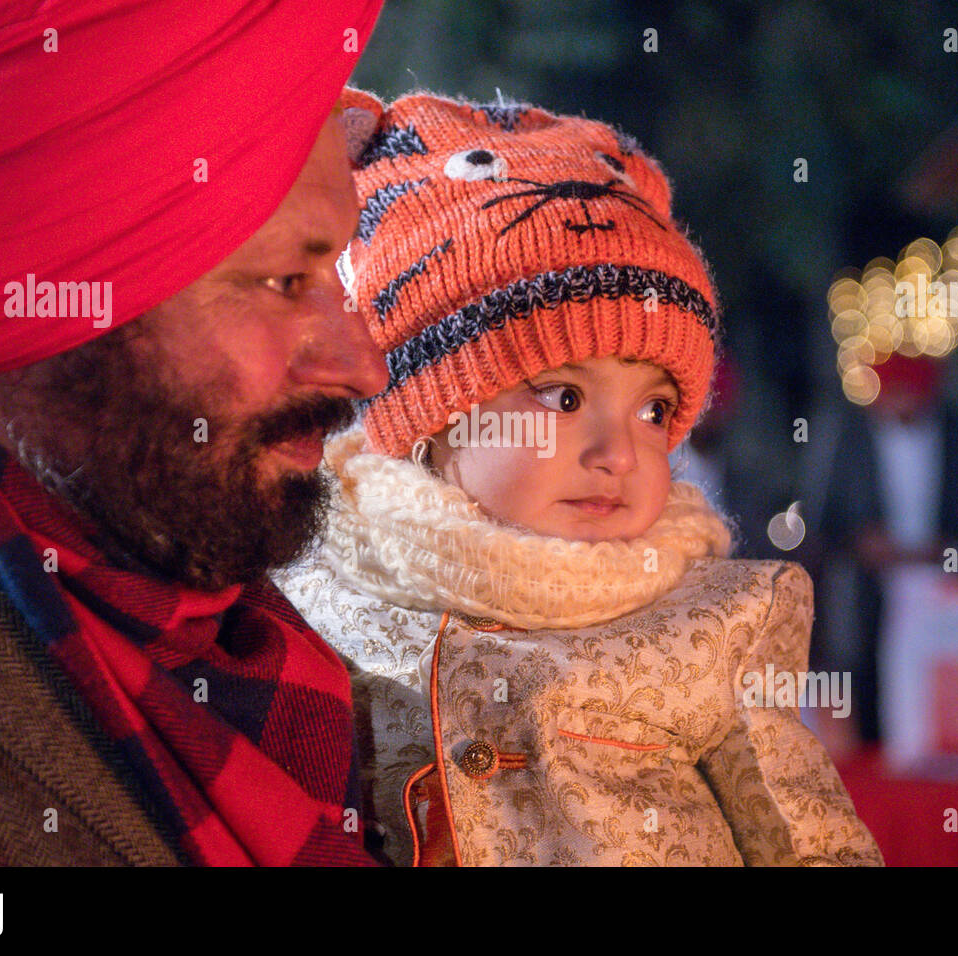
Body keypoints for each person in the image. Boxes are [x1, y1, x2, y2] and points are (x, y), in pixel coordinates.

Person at [277, 89, 883, 866]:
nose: (619, 454)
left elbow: (808, 841)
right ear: (433, 411)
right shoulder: (319, 599)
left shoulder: (714, 624)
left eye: (656, 410)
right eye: (564, 397)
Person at [0, 0, 389, 866]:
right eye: (287, 282)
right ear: (45, 306)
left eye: (339, 277)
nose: (365, 368)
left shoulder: (225, 628)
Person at [798, 352, 958, 753]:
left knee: (940, 707)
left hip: (948, 598)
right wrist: (862, 542)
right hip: (868, 600)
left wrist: (948, 544)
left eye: (909, 394)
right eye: (892, 394)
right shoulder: (849, 436)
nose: (899, 404)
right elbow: (818, 522)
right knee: (872, 707)